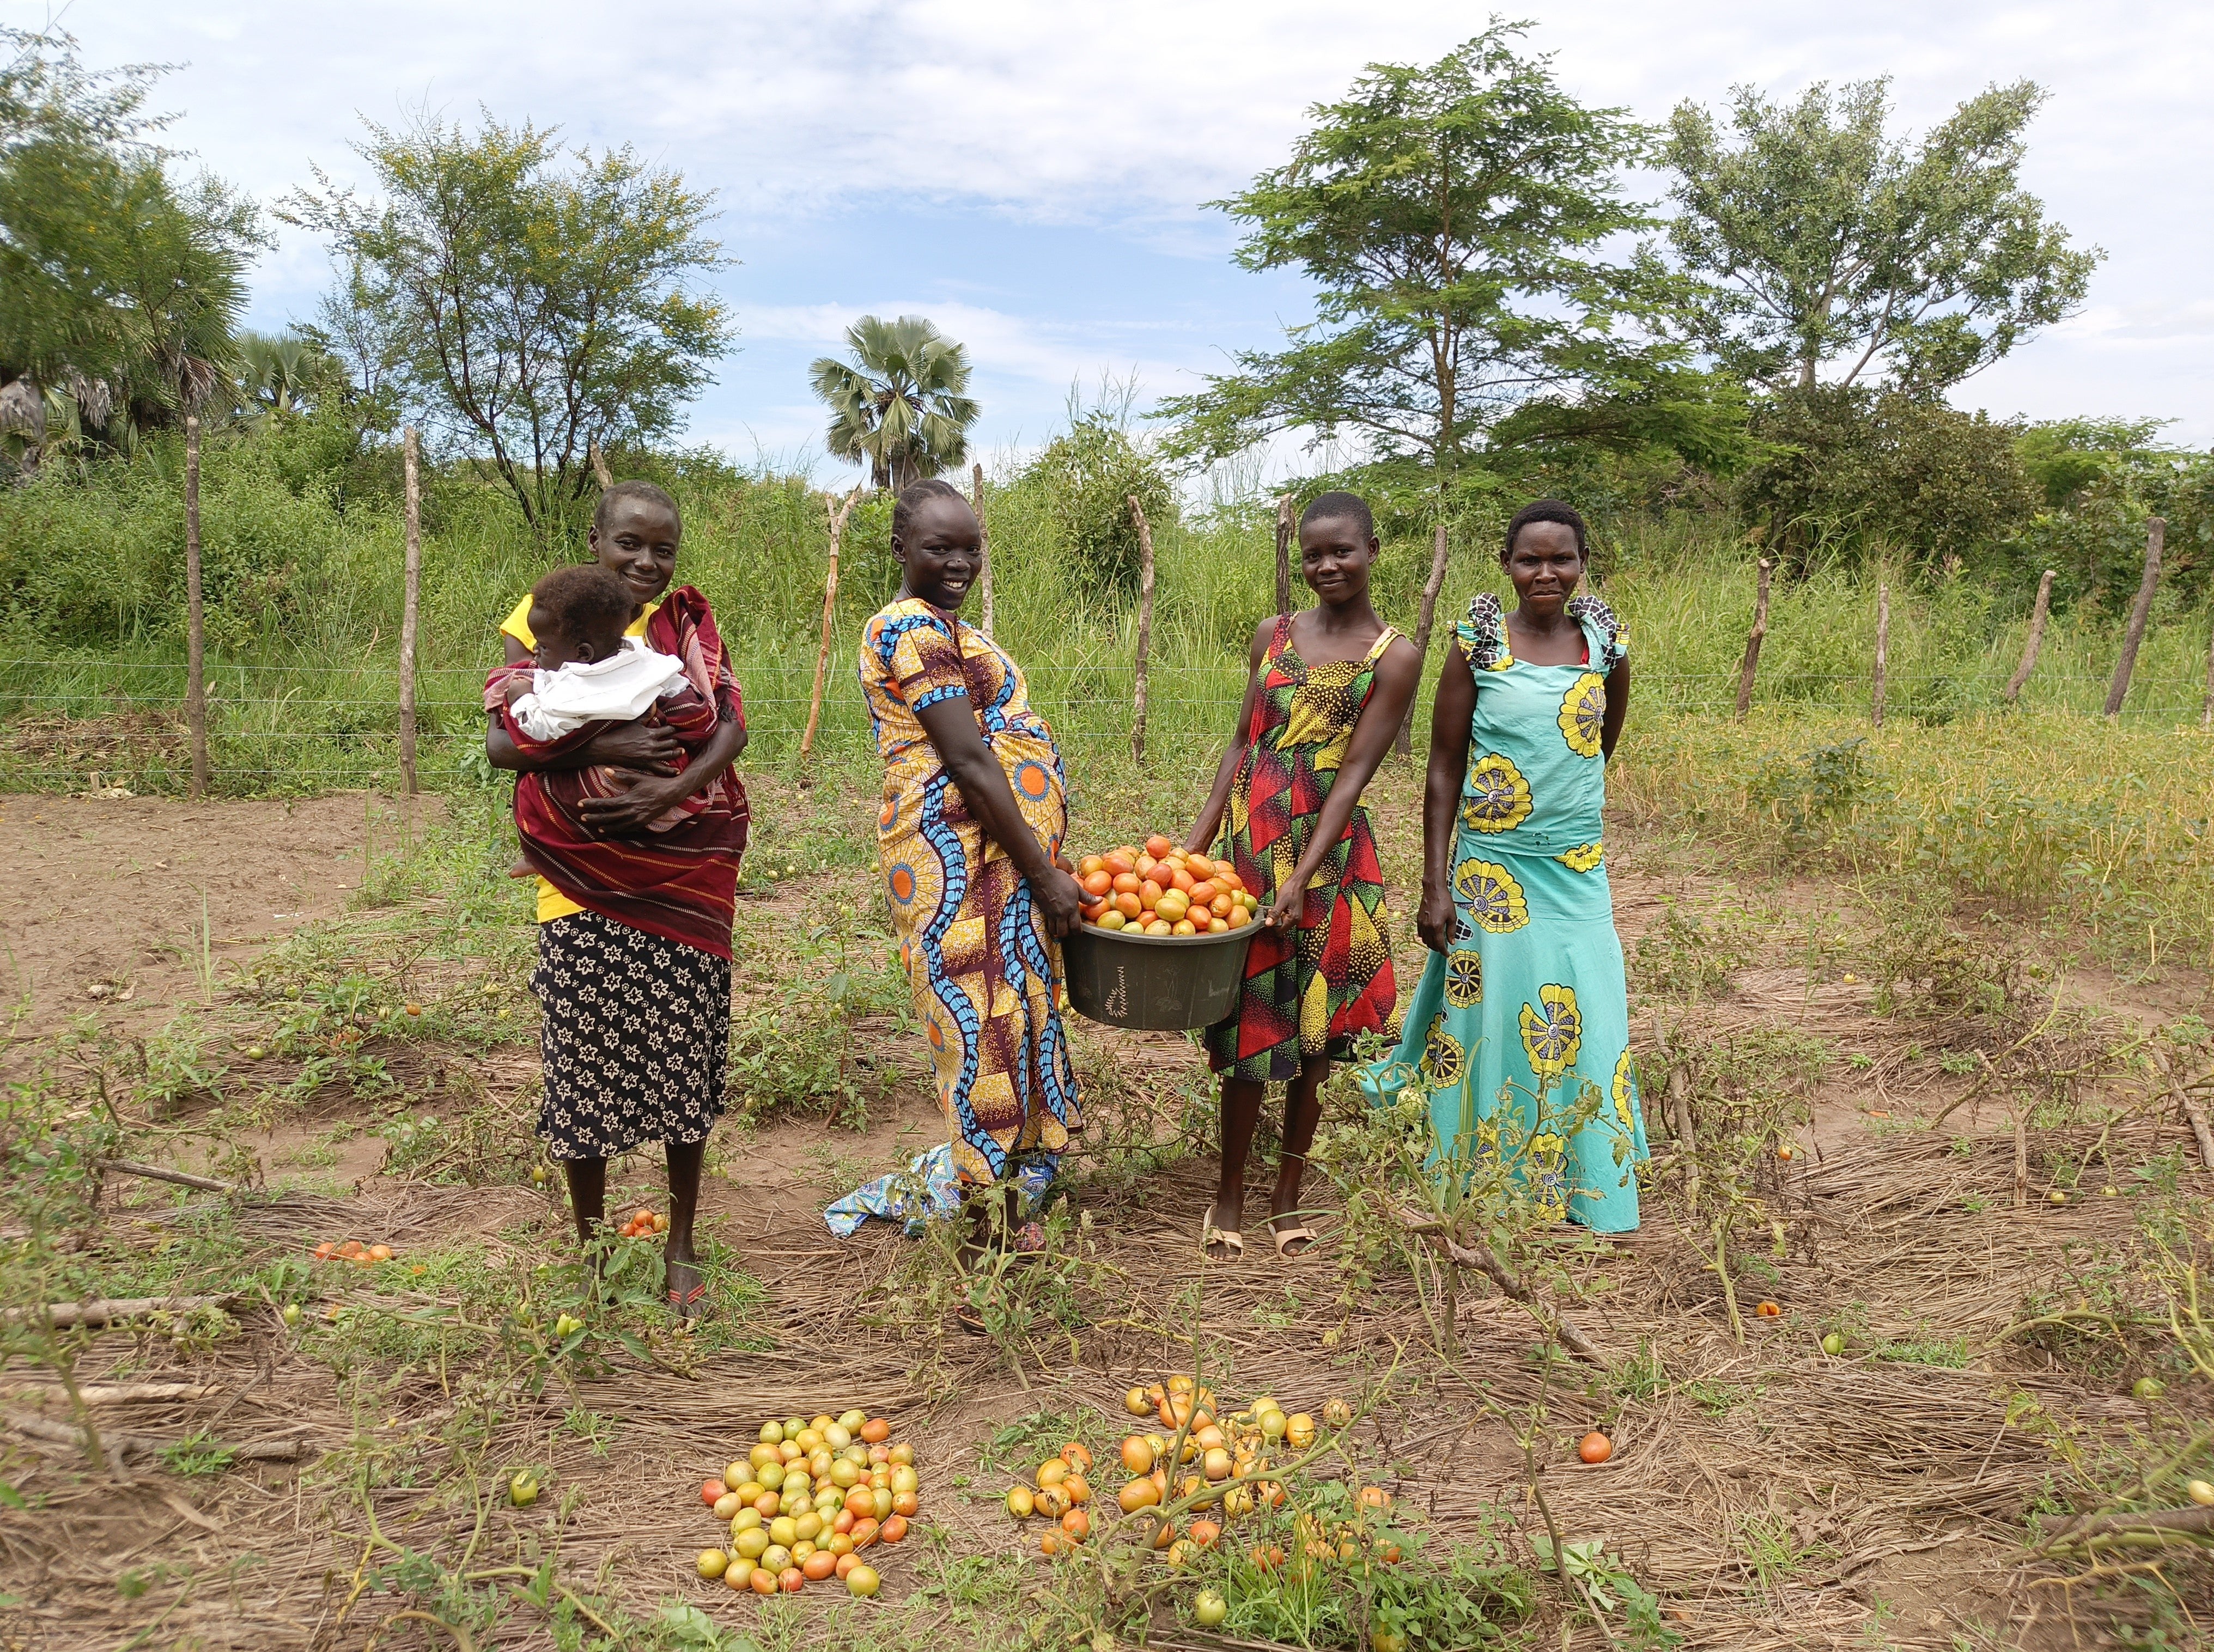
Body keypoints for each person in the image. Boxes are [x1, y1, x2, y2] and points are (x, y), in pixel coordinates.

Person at [484, 480, 750, 1315]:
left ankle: (680, 1242)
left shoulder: (686, 632)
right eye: (628, 542)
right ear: (595, 538)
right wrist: (604, 740)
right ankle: (593, 1248)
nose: (645, 560)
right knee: (583, 1072)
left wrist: (654, 799)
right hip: (578, 887)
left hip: (683, 883)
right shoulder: (547, 614)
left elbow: (731, 729)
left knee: (683, 1060)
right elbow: (502, 739)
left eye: (661, 548)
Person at [1373, 498, 1647, 1233]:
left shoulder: (1604, 643)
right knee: (1491, 1016)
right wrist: (1436, 884)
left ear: (1583, 563)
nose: (1546, 573)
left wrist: (1559, 819)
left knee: (1590, 1011)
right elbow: (1443, 766)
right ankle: (1486, 1177)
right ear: (1507, 564)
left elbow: (1600, 741)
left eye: (1562, 559)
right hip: (1491, 872)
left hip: (1575, 868)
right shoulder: (1478, 643)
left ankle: (1590, 1182)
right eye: (1531, 559)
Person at [841, 478, 1084, 1289]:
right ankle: (987, 1237)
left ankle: (1010, 1202)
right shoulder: (909, 628)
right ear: (900, 550)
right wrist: (1046, 871)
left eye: (969, 547)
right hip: (954, 863)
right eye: (939, 546)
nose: (957, 561)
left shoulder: (952, 628)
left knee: (1011, 1013)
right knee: (978, 1028)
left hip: (1000, 859)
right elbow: (972, 762)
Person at [1184, 491, 1420, 1260]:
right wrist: (1194, 845)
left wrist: (1304, 875)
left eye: (1342, 551)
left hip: (1332, 851)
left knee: (1313, 1030)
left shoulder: (1396, 655)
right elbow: (1237, 745)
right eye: (1314, 554)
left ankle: (1287, 1194)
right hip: (1251, 843)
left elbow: (1353, 775)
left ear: (1373, 550)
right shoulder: (1273, 635)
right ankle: (1227, 1195)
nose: (1327, 566)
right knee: (1251, 1015)